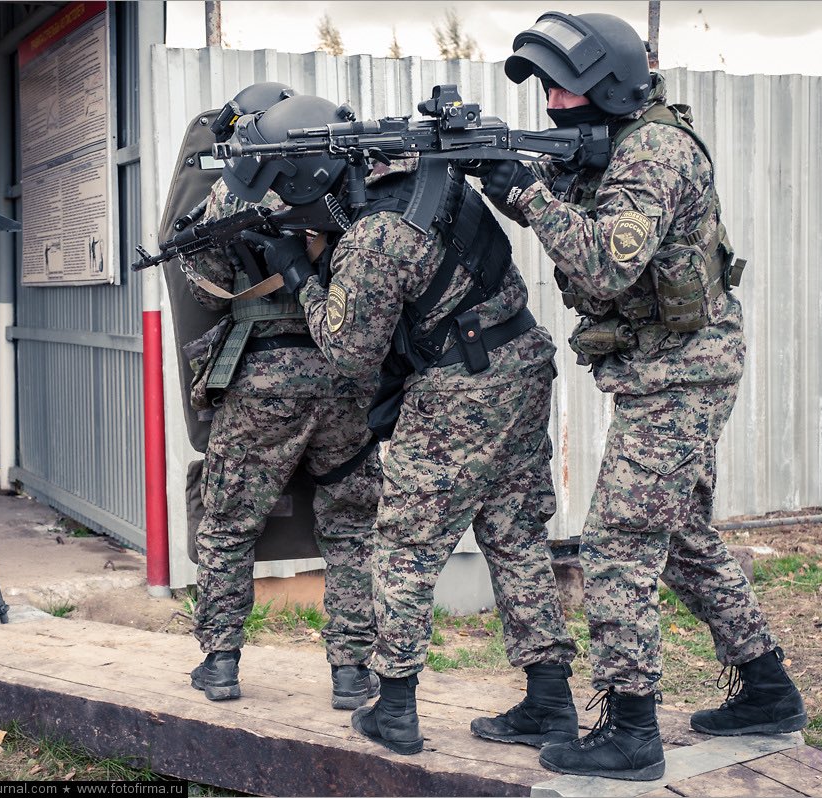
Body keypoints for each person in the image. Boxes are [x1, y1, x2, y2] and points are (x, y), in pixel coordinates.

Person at [475, 11, 807, 780]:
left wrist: (528, 198)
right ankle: (768, 691)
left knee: (618, 543)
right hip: (670, 368)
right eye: (547, 90)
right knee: (683, 539)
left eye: (565, 89)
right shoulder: (615, 144)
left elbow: (606, 264)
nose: (553, 103)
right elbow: (582, 216)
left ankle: (631, 731)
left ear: (611, 87)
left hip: (681, 376)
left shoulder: (652, 152)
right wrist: (514, 180)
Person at [226, 94, 579, 755]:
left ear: (307, 182)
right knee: (514, 536)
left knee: (403, 549)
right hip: (521, 363)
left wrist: (299, 275)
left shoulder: (373, 238)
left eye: (282, 189)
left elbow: (350, 352)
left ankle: (394, 708)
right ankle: (551, 701)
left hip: (459, 391)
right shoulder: (428, 170)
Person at [183, 84, 383, 710]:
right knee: (351, 530)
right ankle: (351, 672)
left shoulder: (235, 191)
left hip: (264, 377)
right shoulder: (351, 173)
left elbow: (207, 289)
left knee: (228, 525)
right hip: (345, 374)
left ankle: (220, 663)